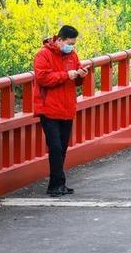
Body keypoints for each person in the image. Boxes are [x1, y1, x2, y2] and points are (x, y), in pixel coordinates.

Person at [33, 25, 89, 197]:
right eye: (69, 43)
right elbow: (42, 78)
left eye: (73, 43)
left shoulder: (72, 55)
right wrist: (67, 75)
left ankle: (56, 184)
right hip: (48, 109)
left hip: (66, 108)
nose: (71, 46)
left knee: (62, 147)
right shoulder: (43, 54)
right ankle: (57, 184)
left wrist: (81, 74)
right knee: (55, 147)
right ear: (59, 39)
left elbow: (76, 78)